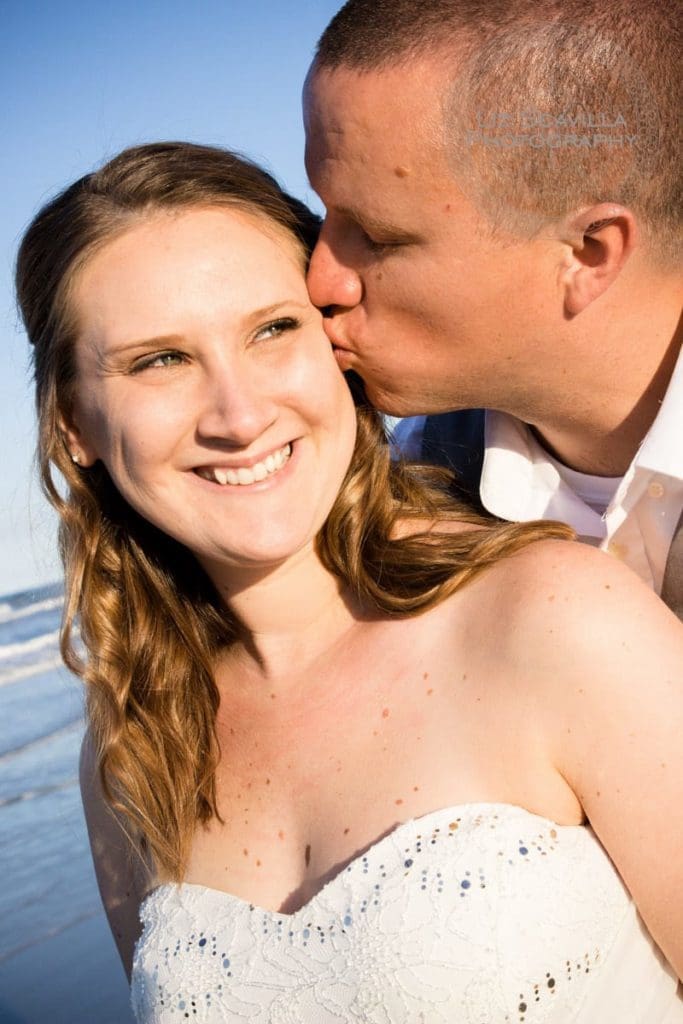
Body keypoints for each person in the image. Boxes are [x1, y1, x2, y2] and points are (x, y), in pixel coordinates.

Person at [17, 142, 682, 1023]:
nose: (240, 414)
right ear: (73, 424)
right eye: (160, 361)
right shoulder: (132, 750)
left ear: (334, 345)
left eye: (271, 330)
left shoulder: (556, 620)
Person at [303, 0, 683, 618]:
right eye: (324, 216)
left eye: (378, 238)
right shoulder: (403, 496)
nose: (321, 283)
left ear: (587, 255)